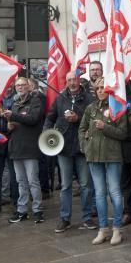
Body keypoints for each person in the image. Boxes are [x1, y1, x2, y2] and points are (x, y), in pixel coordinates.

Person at [45, 72, 96, 233]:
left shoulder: (89, 98)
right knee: (66, 185)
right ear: (66, 82)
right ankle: (64, 218)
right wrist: (46, 132)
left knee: (85, 185)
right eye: (69, 80)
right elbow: (50, 117)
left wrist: (78, 118)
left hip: (82, 147)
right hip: (64, 147)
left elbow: (94, 120)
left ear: (79, 81)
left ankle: (87, 217)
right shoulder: (60, 98)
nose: (72, 83)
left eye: (74, 80)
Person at [79, 79, 128, 245]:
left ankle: (117, 228)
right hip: (94, 156)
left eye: (103, 88)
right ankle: (103, 229)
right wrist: (85, 146)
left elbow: (123, 133)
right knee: (99, 193)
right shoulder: (90, 108)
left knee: (114, 192)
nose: (100, 91)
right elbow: (82, 129)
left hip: (112, 156)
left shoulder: (117, 107)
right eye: (98, 88)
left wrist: (104, 127)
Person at [4, 78, 45, 224]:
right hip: (16, 148)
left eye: (22, 85)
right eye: (17, 85)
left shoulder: (35, 101)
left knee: (33, 181)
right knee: (21, 181)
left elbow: (33, 119)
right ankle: (22, 210)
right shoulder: (14, 104)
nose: (20, 87)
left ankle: (38, 210)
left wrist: (14, 116)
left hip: (30, 147)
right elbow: (14, 124)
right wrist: (8, 127)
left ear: (28, 86)